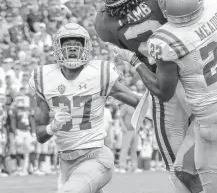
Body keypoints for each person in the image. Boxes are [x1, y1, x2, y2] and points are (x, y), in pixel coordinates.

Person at [89, 0, 207, 193]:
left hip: (161, 83)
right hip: (195, 72)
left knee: (178, 170)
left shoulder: (104, 24)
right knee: (205, 159)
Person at [114, 0, 217, 193]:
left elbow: (163, 91)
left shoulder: (167, 40)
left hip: (213, 120)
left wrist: (135, 61)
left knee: (216, 190)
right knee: (182, 174)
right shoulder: (215, 2)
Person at [32, 23, 141, 193]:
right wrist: (52, 127)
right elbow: (39, 134)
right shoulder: (44, 78)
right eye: (67, 45)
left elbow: (137, 101)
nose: (73, 49)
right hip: (66, 163)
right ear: (58, 48)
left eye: (77, 45)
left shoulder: (98, 73)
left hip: (95, 157)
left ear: (86, 48)